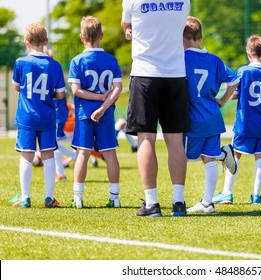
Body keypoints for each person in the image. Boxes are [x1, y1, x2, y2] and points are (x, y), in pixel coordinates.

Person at [122, 0, 191, 217]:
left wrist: (131, 29)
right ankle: (178, 203)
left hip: (145, 75)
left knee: (146, 139)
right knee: (175, 140)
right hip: (176, 75)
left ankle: (151, 203)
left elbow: (126, 25)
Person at [213, 34, 261, 205]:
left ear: (248, 53)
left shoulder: (243, 71)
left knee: (235, 155)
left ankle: (227, 193)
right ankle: (256, 196)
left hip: (245, 124)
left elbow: (233, 96)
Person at [182, 16, 239, 213]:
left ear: (182, 37)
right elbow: (234, 80)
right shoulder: (214, 60)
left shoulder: (180, 58)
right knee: (209, 157)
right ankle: (207, 202)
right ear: (201, 37)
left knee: (185, 158)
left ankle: (222, 155)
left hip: (193, 119)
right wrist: (222, 101)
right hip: (213, 117)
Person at [68, 16, 122, 209]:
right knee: (109, 153)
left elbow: (76, 90)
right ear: (102, 36)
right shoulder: (111, 59)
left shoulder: (77, 60)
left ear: (82, 37)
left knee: (82, 153)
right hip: (106, 113)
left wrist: (97, 101)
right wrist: (103, 104)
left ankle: (78, 198)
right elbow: (118, 88)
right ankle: (114, 198)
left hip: (84, 112)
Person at [12, 22, 66, 208]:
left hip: (26, 116)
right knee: (48, 155)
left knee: (26, 155)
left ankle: (25, 198)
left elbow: (17, 87)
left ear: (26, 41)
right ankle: (49, 198)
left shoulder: (20, 62)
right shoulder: (55, 65)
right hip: (47, 116)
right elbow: (60, 94)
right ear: (46, 41)